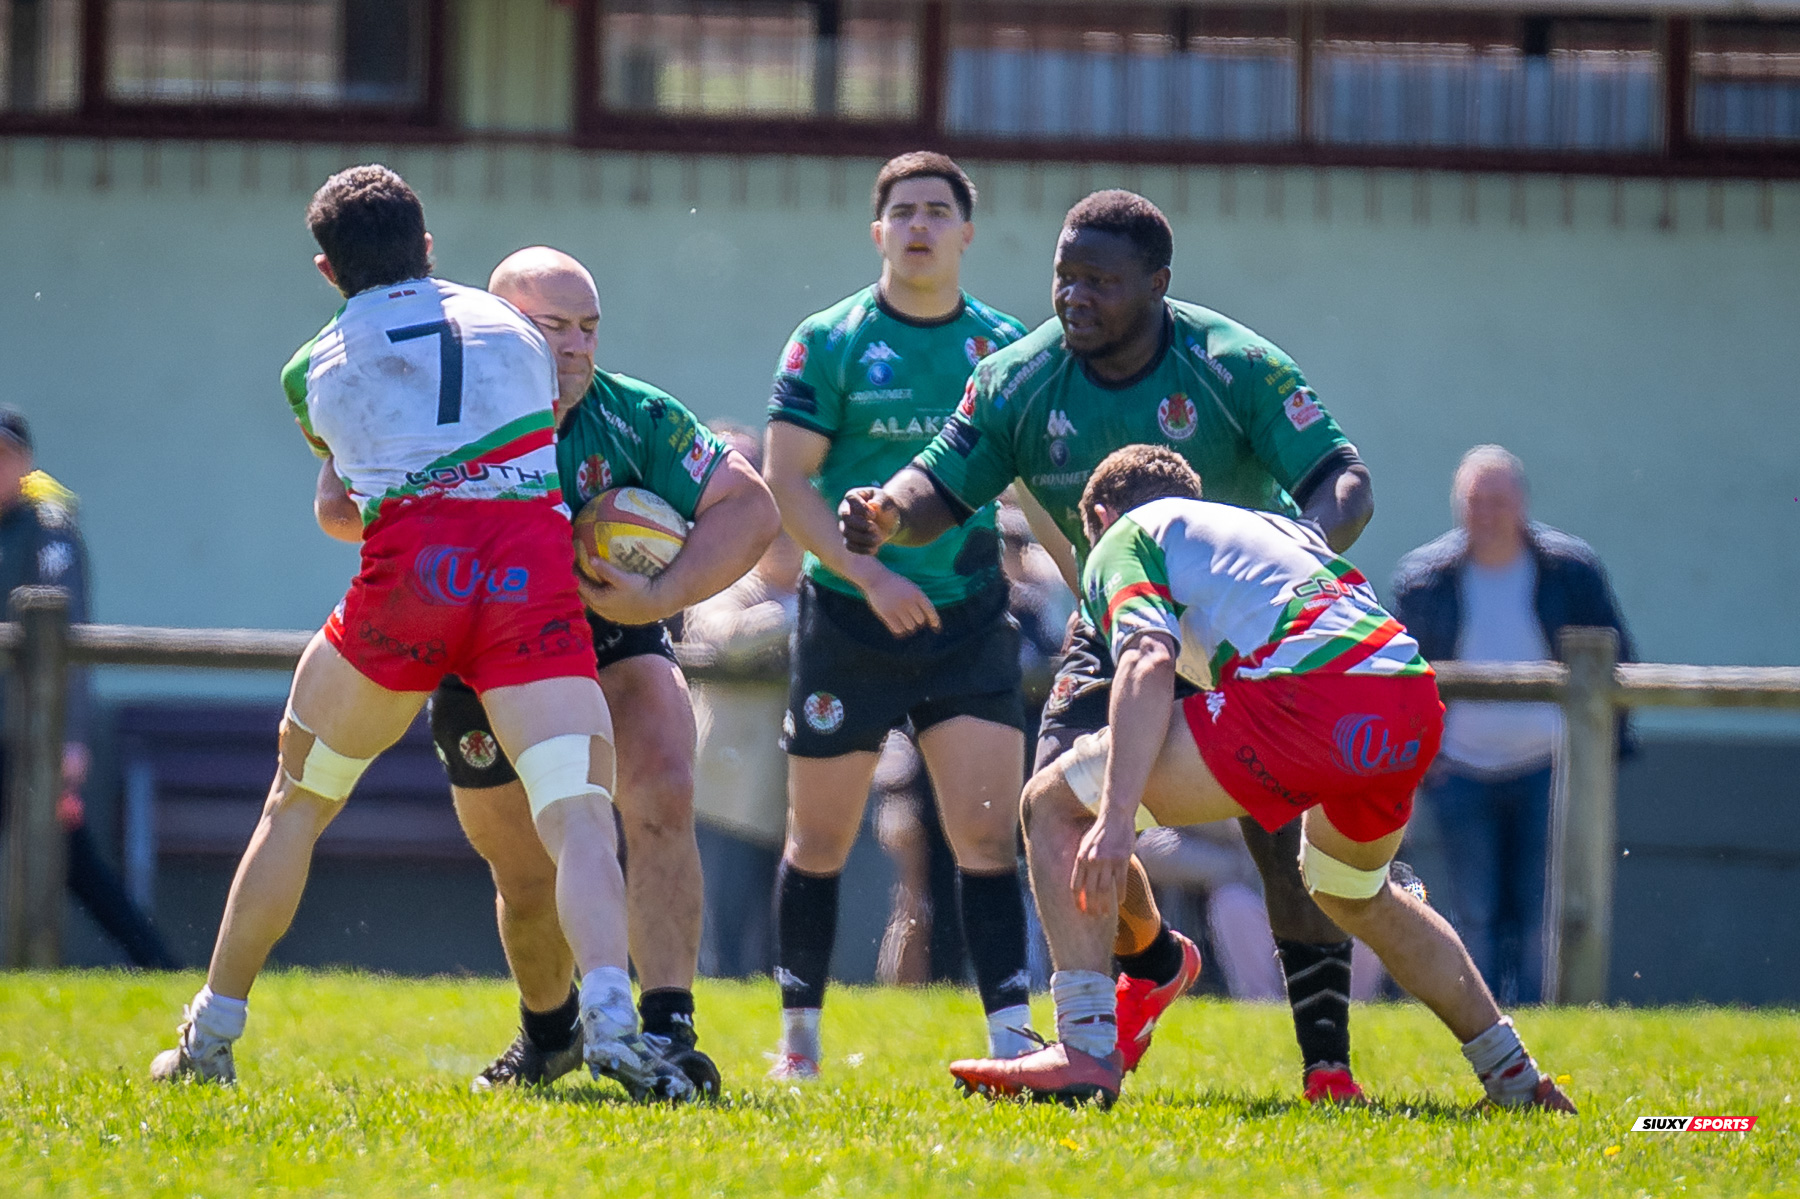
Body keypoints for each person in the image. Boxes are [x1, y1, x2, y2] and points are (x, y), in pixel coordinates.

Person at [151, 167, 693, 1101]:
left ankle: (211, 1032)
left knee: (298, 800)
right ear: (431, 247)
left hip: (412, 579)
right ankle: (613, 1018)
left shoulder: (309, 364)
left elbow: (346, 497)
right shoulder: (515, 328)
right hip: (527, 571)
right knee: (577, 812)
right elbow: (547, 403)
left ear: (327, 269)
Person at [841, 190, 1381, 1101]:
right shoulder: (1018, 377)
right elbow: (941, 476)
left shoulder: (1232, 363)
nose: (1074, 297)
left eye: (1100, 281)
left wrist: (1301, 564)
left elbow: (1346, 480)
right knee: (1054, 807)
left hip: (1243, 630)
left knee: (1283, 845)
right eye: (1064, 276)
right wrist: (887, 510)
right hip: (1114, 626)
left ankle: (1326, 1063)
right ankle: (1111, 1012)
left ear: (1157, 286)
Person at [946, 446, 1575, 1113]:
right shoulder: (1264, 527)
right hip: (1406, 695)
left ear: (1099, 516)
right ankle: (1513, 1074)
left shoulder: (1122, 537)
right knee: (1357, 891)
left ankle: (1084, 1048)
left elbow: (1148, 658)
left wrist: (1112, 814)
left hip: (1307, 694)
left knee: (1051, 804)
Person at [384, 249, 778, 1093]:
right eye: (549, 327)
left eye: (588, 328)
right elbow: (343, 509)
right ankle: (551, 1032)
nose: (574, 348)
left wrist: (659, 595)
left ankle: (668, 1024)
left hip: (613, 645)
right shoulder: (446, 419)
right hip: (484, 663)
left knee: (665, 793)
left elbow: (751, 506)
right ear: (495, 333)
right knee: (526, 874)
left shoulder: (634, 416)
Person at [761, 152, 1036, 1078]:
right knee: (821, 838)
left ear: (967, 231)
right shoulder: (828, 339)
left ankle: (1011, 1041)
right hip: (847, 619)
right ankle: (798, 1046)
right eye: (903, 212)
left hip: (966, 619)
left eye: (937, 211)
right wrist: (868, 575)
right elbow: (787, 479)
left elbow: (1039, 492)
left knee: (988, 833)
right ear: (877, 233)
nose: (919, 226)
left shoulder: (1005, 348)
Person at [1392, 445, 1635, 1004]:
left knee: (1540, 910)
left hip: (1548, 766)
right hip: (1460, 769)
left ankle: (1539, 1020)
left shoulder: (1571, 573)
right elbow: (1401, 678)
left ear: (1522, 503)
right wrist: (1422, 762)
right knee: (1475, 909)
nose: (1486, 513)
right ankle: (1480, 1020)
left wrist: (1602, 758)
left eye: (1498, 501)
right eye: (1475, 501)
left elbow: (1618, 663)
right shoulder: (1424, 579)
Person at [0, 411, 177, 969]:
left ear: (24, 464)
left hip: (31, 729)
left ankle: (157, 966)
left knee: (72, 861)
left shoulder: (49, 529)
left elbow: (70, 643)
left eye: (6, 456)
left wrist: (70, 740)